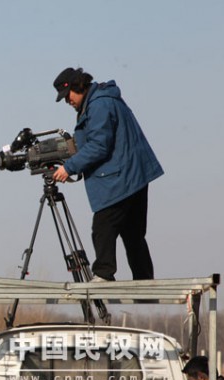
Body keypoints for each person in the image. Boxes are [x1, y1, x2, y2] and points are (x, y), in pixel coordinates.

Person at [51, 67, 164, 282]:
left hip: (120, 175)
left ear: (77, 87)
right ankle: (144, 278)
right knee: (132, 232)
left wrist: (69, 168)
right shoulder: (102, 100)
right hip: (135, 174)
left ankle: (103, 273)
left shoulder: (99, 105)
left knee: (103, 226)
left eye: (68, 97)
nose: (68, 102)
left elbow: (99, 145)